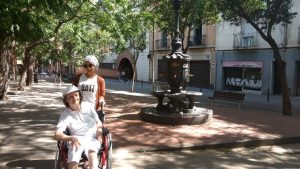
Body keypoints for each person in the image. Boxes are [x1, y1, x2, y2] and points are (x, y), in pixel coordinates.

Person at [54, 85, 102, 169]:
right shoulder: (65, 115)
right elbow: (57, 134)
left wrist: (99, 131)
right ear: (66, 100)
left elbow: (98, 121)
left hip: (92, 138)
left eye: (76, 95)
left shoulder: (88, 106)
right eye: (71, 97)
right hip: (76, 139)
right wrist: (71, 138)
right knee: (73, 157)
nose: (74, 98)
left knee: (92, 152)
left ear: (80, 96)